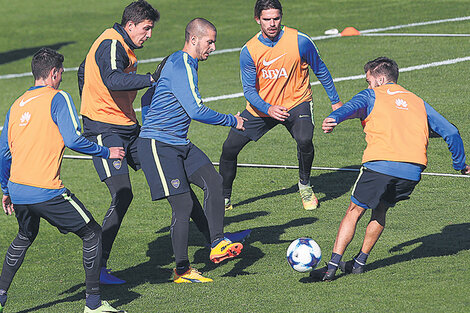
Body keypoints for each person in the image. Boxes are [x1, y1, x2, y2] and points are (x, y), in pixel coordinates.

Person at [312, 56, 469, 281]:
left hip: (380, 165)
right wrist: (460, 165)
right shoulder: (417, 101)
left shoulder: (371, 95)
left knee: (354, 211)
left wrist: (334, 118)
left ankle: (331, 268)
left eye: (368, 80)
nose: (367, 85)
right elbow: (451, 132)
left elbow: (350, 108)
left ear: (381, 78)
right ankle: (358, 263)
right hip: (412, 172)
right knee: (381, 210)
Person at [0, 48, 127, 313]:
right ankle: (93, 304)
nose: (62, 79)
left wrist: (5, 189)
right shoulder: (58, 98)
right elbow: (73, 140)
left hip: (18, 190)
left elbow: (3, 154)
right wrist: (107, 151)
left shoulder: (16, 104)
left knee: (24, 236)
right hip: (46, 190)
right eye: (61, 74)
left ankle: (0, 295)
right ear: (54, 73)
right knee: (92, 233)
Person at [138, 18, 245, 283]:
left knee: (213, 180)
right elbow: (196, 111)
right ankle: (182, 270)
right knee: (183, 204)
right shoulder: (182, 63)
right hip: (159, 146)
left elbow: (147, 97)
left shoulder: (180, 62)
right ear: (194, 39)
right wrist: (232, 120)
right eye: (210, 41)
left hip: (179, 143)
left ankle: (217, 241)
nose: (213, 47)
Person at [219, 0, 343, 211]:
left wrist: (335, 101)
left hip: (297, 102)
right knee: (229, 148)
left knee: (305, 139)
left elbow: (320, 69)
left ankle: (304, 185)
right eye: (267, 19)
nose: (272, 24)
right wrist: (268, 109)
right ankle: (224, 198)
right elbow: (249, 90)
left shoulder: (300, 41)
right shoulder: (249, 50)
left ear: (281, 17)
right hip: (262, 108)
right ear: (257, 19)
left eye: (276, 18)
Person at [77, 0, 160, 284]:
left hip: (127, 127)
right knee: (123, 192)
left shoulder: (117, 45)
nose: (149, 35)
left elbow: (82, 72)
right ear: (130, 25)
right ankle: (98, 267)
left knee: (169, 166)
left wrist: (91, 100)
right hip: (105, 130)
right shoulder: (112, 43)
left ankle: (214, 240)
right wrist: (150, 79)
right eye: (146, 29)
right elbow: (112, 80)